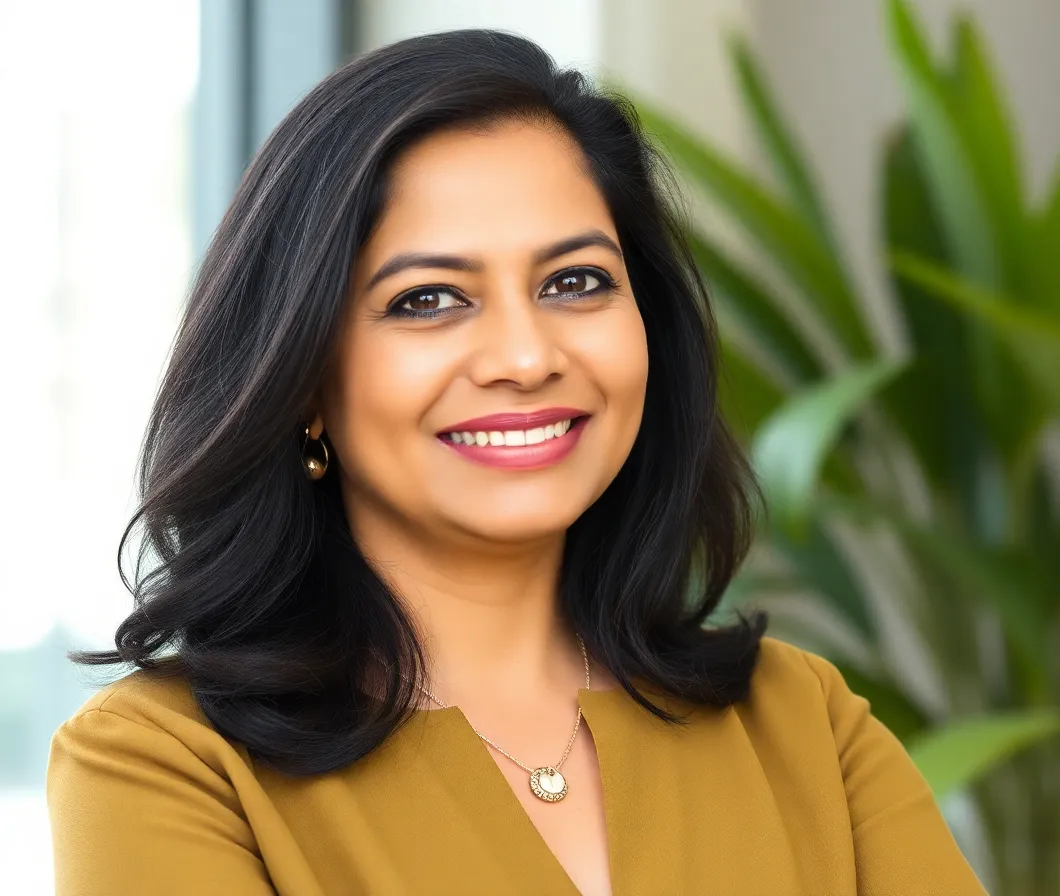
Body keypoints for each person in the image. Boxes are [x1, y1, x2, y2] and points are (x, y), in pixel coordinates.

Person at [45, 28, 987, 896]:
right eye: (428, 300)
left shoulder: (802, 723)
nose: (528, 357)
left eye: (575, 282)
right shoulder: (164, 763)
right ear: (302, 379)